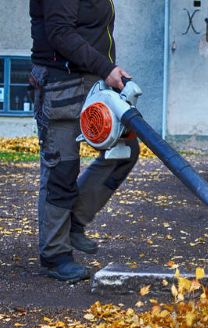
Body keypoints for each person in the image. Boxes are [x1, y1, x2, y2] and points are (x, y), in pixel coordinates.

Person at [29, 0, 139, 282]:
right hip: (59, 83)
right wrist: (106, 67)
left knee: (124, 150)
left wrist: (105, 71)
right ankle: (55, 255)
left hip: (93, 82)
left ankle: (73, 220)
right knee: (61, 168)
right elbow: (60, 32)